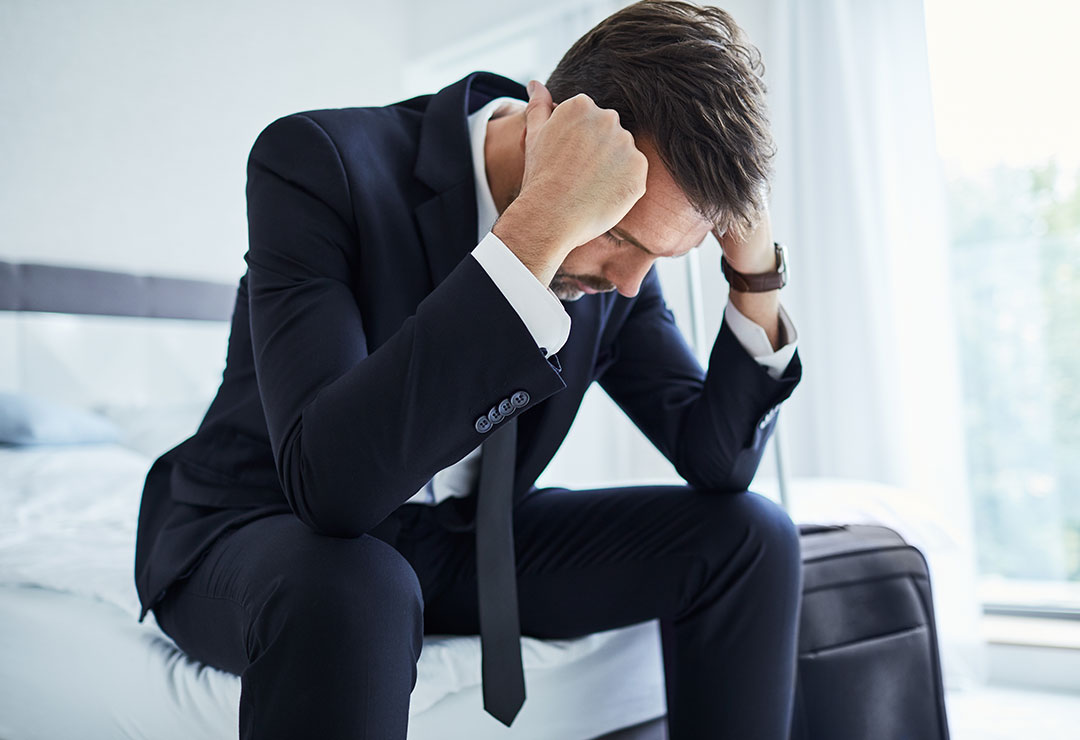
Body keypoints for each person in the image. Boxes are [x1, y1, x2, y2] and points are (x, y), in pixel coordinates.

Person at [133, 1, 804, 738]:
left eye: (659, 254)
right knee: (359, 587)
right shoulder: (319, 163)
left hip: (461, 544)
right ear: (557, 131)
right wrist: (540, 227)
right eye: (616, 233)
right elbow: (332, 490)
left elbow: (716, 459)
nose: (629, 283)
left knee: (751, 537)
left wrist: (755, 273)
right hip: (264, 523)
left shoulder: (618, 271)